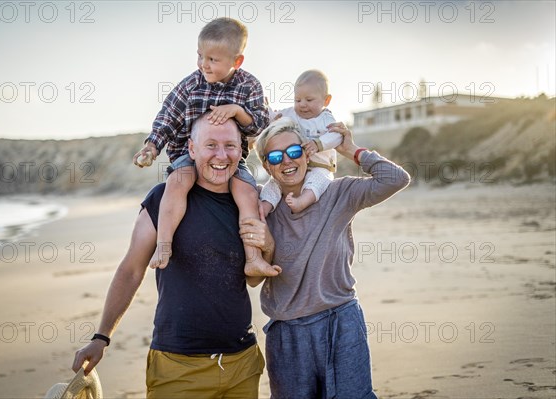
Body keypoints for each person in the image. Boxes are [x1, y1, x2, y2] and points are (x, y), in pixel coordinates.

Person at [73, 115, 274, 399]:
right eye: (211, 145)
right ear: (191, 149)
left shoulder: (251, 203)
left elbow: (253, 279)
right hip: (177, 363)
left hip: (242, 362)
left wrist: (267, 244)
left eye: (230, 145)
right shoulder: (162, 199)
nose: (221, 155)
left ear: (242, 150)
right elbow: (131, 269)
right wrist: (101, 337)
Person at [245, 117, 410, 398]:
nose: (287, 161)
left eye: (294, 151)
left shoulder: (338, 192)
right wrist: (268, 246)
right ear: (267, 165)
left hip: (341, 322)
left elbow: (396, 179)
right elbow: (252, 280)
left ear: (307, 153)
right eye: (275, 156)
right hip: (287, 333)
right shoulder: (260, 207)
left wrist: (352, 150)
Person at [132, 17, 279, 277]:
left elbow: (259, 126)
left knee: (247, 193)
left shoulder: (249, 86)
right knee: (177, 183)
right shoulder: (190, 85)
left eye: (212, 59)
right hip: (188, 157)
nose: (203, 64)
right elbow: (167, 117)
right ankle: (164, 244)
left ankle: (253, 258)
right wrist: (152, 147)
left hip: (231, 160)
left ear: (237, 61)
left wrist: (237, 111)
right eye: (200, 56)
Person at [261, 70, 342, 214]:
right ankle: (264, 207)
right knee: (274, 184)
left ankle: (302, 202)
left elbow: (336, 136)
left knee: (318, 181)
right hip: (296, 164)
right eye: (297, 100)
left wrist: (318, 144)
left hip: (320, 166)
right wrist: (267, 110)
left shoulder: (326, 118)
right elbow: (276, 117)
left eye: (309, 100)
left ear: (326, 100)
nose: (302, 105)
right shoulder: (291, 113)